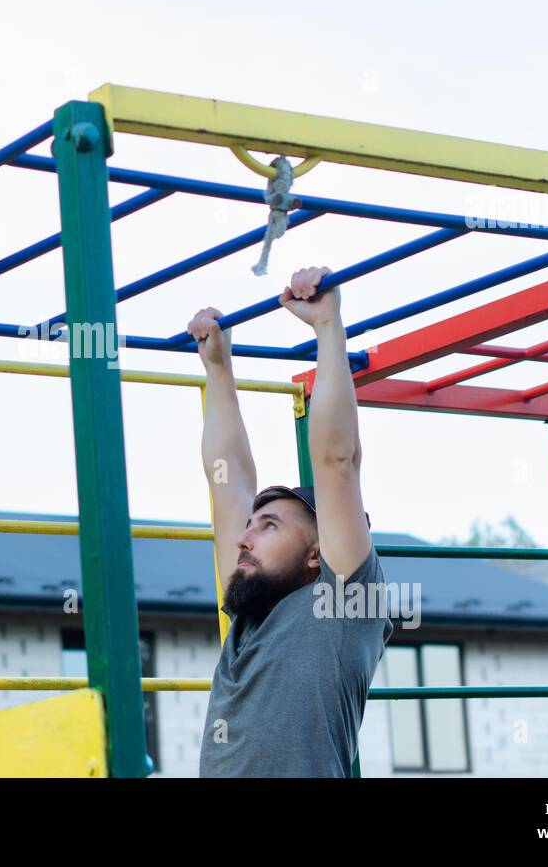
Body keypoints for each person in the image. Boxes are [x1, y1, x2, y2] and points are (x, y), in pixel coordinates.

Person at [190, 265, 393, 776]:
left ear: (317, 553)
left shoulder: (342, 607)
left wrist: (328, 328)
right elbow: (228, 480)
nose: (244, 536)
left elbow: (337, 463)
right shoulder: (248, 615)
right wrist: (218, 368)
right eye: (251, 524)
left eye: (270, 525)